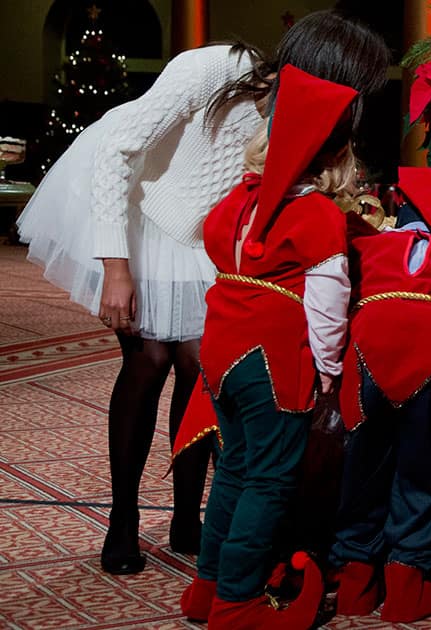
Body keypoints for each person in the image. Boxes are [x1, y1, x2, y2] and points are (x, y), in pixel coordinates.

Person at [17, 38, 268, 574]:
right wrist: (116, 266)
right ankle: (123, 519)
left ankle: (185, 516)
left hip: (199, 230)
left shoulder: (298, 113)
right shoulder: (213, 67)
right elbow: (120, 149)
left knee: (200, 365)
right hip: (133, 200)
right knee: (149, 358)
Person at [178, 62, 362, 628]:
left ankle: (207, 590)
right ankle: (238, 601)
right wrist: (329, 370)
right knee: (269, 476)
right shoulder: (316, 214)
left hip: (219, 350)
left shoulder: (237, 199)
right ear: (331, 155)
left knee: (234, 468)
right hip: (272, 361)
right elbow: (327, 307)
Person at [329, 167, 431, 623]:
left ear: (398, 213)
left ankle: (354, 582)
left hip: (372, 344)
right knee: (417, 467)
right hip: (430, 348)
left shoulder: (371, 245)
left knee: (365, 463)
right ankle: (408, 583)